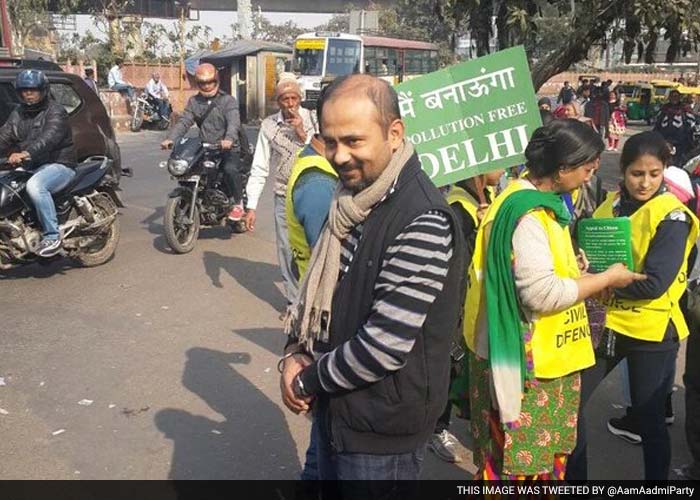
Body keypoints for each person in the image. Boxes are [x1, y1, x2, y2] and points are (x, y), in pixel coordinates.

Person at [279, 74, 465, 496]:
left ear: (394, 133)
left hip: (381, 430)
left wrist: (306, 381)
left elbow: (383, 345)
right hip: (339, 407)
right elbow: (319, 296)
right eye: (330, 141)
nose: (339, 156)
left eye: (354, 141)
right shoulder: (351, 200)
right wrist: (294, 352)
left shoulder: (422, 219)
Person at [464, 119, 644, 480]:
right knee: (522, 472)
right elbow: (540, 293)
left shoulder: (523, 200)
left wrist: (574, 269)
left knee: (510, 467)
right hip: (531, 365)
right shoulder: (530, 215)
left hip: (515, 354)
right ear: (562, 169)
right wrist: (606, 279)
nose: (590, 176)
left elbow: (531, 270)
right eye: (587, 168)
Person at [567, 131, 699, 481]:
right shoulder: (608, 206)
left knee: (649, 418)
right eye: (637, 173)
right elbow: (588, 254)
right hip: (605, 324)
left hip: (651, 332)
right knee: (571, 408)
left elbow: (655, 284)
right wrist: (584, 267)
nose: (645, 182)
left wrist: (600, 283)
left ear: (664, 172)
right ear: (623, 171)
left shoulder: (672, 216)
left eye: (654, 174)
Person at [428, 169, 504, 464]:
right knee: (451, 367)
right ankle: (437, 428)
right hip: (459, 303)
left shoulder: (488, 198)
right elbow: (457, 264)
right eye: (498, 164)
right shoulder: (459, 210)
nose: (505, 168)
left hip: (479, 301)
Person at [284, 129, 338, 483]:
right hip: (326, 310)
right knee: (330, 424)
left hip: (318, 306)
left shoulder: (315, 169)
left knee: (325, 430)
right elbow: (332, 254)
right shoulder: (319, 182)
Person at [244, 77, 317, 313]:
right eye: (285, 99)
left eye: (294, 98)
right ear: (278, 102)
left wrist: (301, 133)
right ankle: (294, 300)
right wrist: (251, 206)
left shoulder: (314, 119)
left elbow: (325, 151)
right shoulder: (268, 126)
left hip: (314, 191)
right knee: (287, 248)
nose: (290, 104)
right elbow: (260, 167)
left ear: (300, 98)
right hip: (283, 194)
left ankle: (317, 296)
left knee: (316, 244)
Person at [0, 70, 77, 257]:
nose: (28, 93)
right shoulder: (18, 112)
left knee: (36, 186)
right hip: (32, 165)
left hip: (60, 163)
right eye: (24, 90)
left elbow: (49, 138)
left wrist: (26, 153)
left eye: (33, 89)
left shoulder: (56, 110)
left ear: (43, 90)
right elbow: (4, 135)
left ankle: (52, 235)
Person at [160, 63, 245, 222]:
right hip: (205, 147)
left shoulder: (228, 101)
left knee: (229, 169)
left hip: (227, 147)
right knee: (190, 170)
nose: (206, 86)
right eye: (202, 83)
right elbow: (184, 122)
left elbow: (234, 122)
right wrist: (171, 138)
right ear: (198, 83)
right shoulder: (194, 102)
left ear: (216, 80)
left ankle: (238, 203)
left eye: (210, 82)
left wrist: (228, 139)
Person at [654, 89, 697, 166]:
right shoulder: (665, 108)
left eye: (676, 96)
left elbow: (692, 122)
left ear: (680, 97)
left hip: (681, 140)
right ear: (669, 97)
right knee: (664, 158)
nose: (674, 98)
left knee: (680, 160)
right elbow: (657, 122)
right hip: (665, 139)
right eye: (672, 96)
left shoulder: (685, 108)